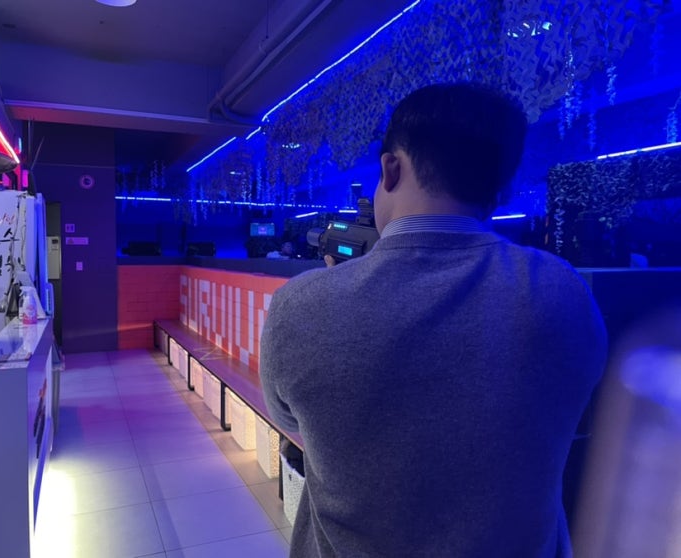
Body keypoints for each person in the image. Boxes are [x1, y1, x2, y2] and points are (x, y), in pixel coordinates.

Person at [259, 82, 607, 558]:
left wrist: (333, 290)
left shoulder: (299, 307)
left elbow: (287, 418)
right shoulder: (565, 295)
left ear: (390, 169)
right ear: (503, 189)